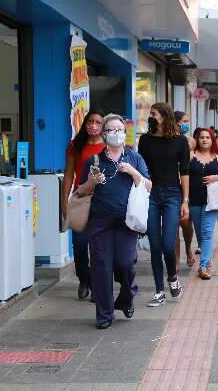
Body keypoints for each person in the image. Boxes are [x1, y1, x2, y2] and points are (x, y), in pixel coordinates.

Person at [78, 114, 151, 329]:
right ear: (104, 134)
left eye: (120, 130)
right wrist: (91, 182)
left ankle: (127, 297)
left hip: (127, 222)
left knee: (125, 263)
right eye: (111, 130)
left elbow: (148, 186)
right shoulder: (93, 161)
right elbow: (81, 191)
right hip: (100, 222)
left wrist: (133, 172)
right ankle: (104, 315)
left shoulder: (134, 158)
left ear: (125, 133)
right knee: (101, 268)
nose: (116, 133)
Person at [138, 103, 190, 307]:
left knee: (168, 244)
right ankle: (159, 291)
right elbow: (140, 168)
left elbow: (184, 172)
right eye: (150, 114)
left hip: (172, 194)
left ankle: (173, 278)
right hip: (150, 194)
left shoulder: (180, 141)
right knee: (155, 245)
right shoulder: (145, 140)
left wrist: (185, 201)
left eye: (154, 114)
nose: (150, 117)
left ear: (165, 117)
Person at [62, 109, 105, 301]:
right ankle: (84, 279)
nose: (93, 125)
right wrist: (64, 201)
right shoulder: (75, 145)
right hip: (80, 197)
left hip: (103, 199)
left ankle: (98, 284)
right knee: (79, 243)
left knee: (99, 246)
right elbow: (69, 174)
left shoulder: (108, 146)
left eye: (97, 122)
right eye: (90, 121)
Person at [190, 128, 218, 280]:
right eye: (202, 137)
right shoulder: (190, 155)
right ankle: (206, 259)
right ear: (197, 139)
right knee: (200, 233)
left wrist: (216, 177)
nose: (205, 140)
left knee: (207, 233)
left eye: (208, 137)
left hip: (212, 202)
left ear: (212, 140)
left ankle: (203, 266)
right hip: (194, 200)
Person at [173, 111, 197, 270]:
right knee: (173, 224)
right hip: (171, 185)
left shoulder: (191, 141)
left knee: (186, 224)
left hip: (187, 186)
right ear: (175, 122)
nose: (187, 124)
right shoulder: (168, 140)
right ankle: (175, 260)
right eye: (184, 121)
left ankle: (188, 248)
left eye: (188, 121)